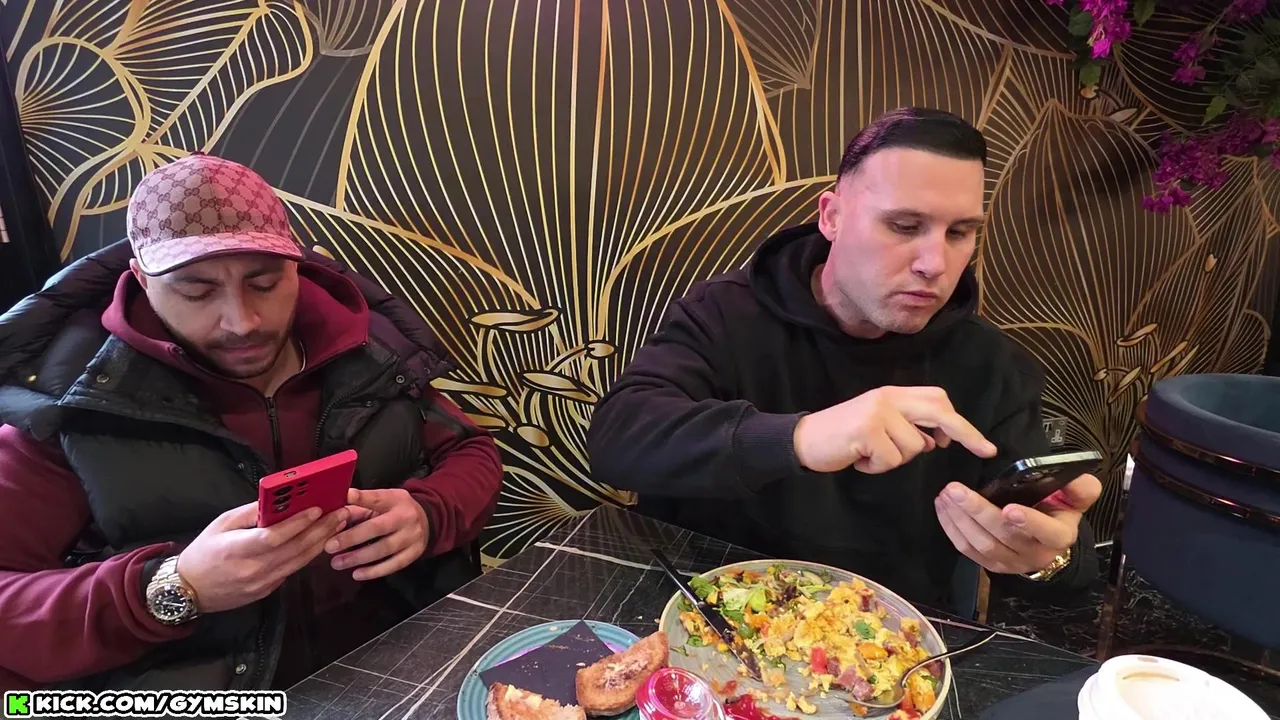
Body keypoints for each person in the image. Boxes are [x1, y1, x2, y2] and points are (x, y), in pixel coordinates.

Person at [0, 154, 504, 691]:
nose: (242, 322)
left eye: (264, 283)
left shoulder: (372, 352)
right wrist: (170, 589)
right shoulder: (64, 405)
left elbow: (471, 451)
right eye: (196, 291)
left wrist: (430, 513)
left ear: (297, 266)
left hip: (408, 667)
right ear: (142, 280)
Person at [588, 108, 1102, 611]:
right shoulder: (725, 314)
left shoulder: (991, 363)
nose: (934, 264)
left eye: (959, 233)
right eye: (904, 226)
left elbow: (1071, 571)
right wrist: (800, 437)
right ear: (831, 216)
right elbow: (617, 440)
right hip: (706, 614)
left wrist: (1044, 558)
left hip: (883, 643)